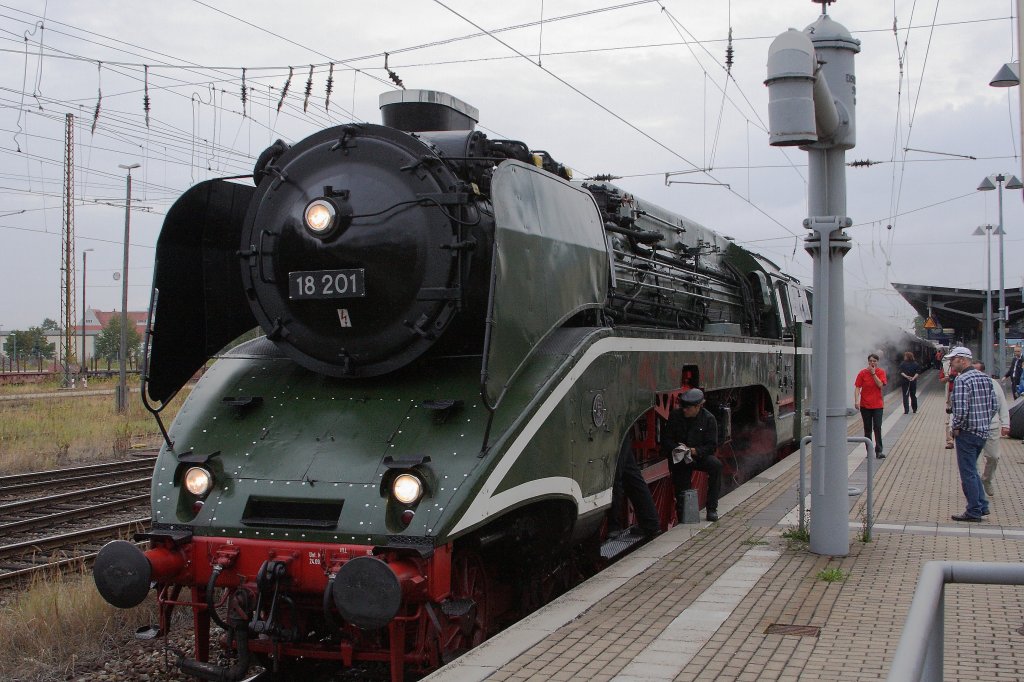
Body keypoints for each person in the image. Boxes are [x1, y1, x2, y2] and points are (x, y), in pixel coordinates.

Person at [947, 346, 996, 522]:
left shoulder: (962, 380)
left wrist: (956, 427)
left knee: (967, 472)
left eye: (953, 359)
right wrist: (984, 421)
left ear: (962, 360)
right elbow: (994, 405)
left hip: (967, 433)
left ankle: (973, 510)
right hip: (982, 432)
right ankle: (982, 505)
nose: (951, 363)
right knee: (973, 470)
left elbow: (960, 410)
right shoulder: (986, 378)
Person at [661, 388, 722, 522]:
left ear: (698, 407)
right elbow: (666, 439)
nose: (684, 410)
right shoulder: (675, 416)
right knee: (680, 483)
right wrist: (678, 449)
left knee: (716, 466)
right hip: (681, 457)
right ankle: (683, 513)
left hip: (698, 456)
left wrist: (695, 451)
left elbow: (712, 446)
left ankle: (712, 508)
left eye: (688, 408)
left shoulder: (709, 419)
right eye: (683, 407)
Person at [608, 434, 661, 540]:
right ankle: (650, 522)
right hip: (619, 431)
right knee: (630, 474)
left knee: (615, 476)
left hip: (613, 432)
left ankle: (614, 526)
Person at [974, 360, 1009, 497]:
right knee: (973, 461)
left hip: (992, 427)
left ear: (983, 371)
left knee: (994, 457)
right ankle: (975, 488)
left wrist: (1005, 424)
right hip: (973, 428)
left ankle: (987, 480)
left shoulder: (994, 385)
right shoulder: (966, 383)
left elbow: (1003, 404)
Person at [854, 353, 887, 458]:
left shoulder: (881, 372)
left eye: (874, 361)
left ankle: (879, 451)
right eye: (871, 361)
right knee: (867, 428)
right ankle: (869, 450)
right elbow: (857, 387)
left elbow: (880, 385)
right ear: (868, 361)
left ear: (877, 362)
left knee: (877, 427)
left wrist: (873, 374)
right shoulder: (862, 373)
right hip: (865, 405)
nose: (872, 363)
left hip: (877, 405)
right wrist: (856, 400)